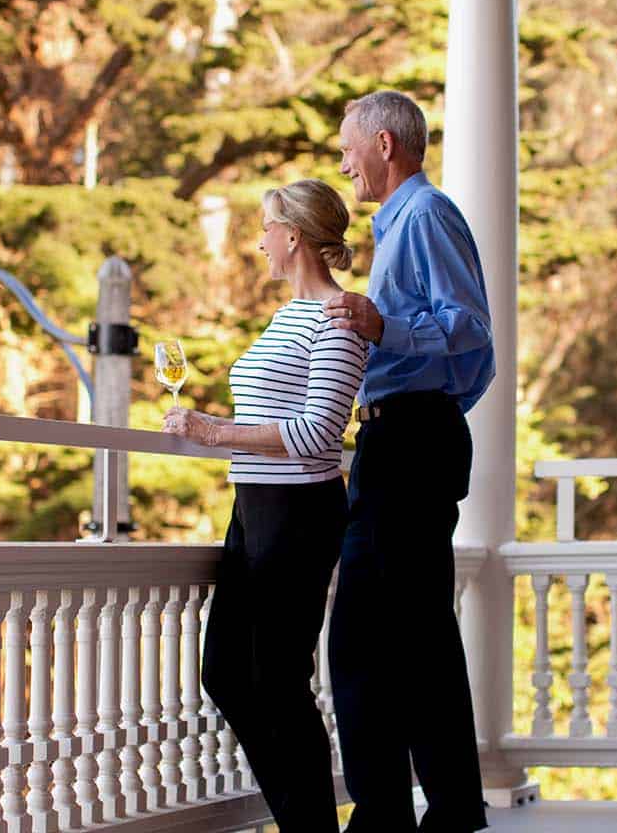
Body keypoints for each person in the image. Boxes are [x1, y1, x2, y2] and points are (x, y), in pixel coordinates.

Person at [163, 179, 368, 833]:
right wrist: (220, 435)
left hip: (299, 515)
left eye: (266, 229)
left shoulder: (338, 318)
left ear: (295, 237)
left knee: (278, 684)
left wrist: (213, 431)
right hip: (252, 508)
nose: (259, 241)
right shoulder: (286, 315)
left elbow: (318, 433)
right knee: (225, 672)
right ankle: (304, 822)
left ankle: (309, 829)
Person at [323, 90, 493, 833]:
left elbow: (468, 328)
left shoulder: (425, 214)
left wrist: (382, 325)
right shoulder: (399, 227)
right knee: (410, 633)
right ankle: (441, 811)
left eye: (346, 148)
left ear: (384, 145)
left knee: (365, 633)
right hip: (399, 442)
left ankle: (395, 813)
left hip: (411, 443)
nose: (343, 164)